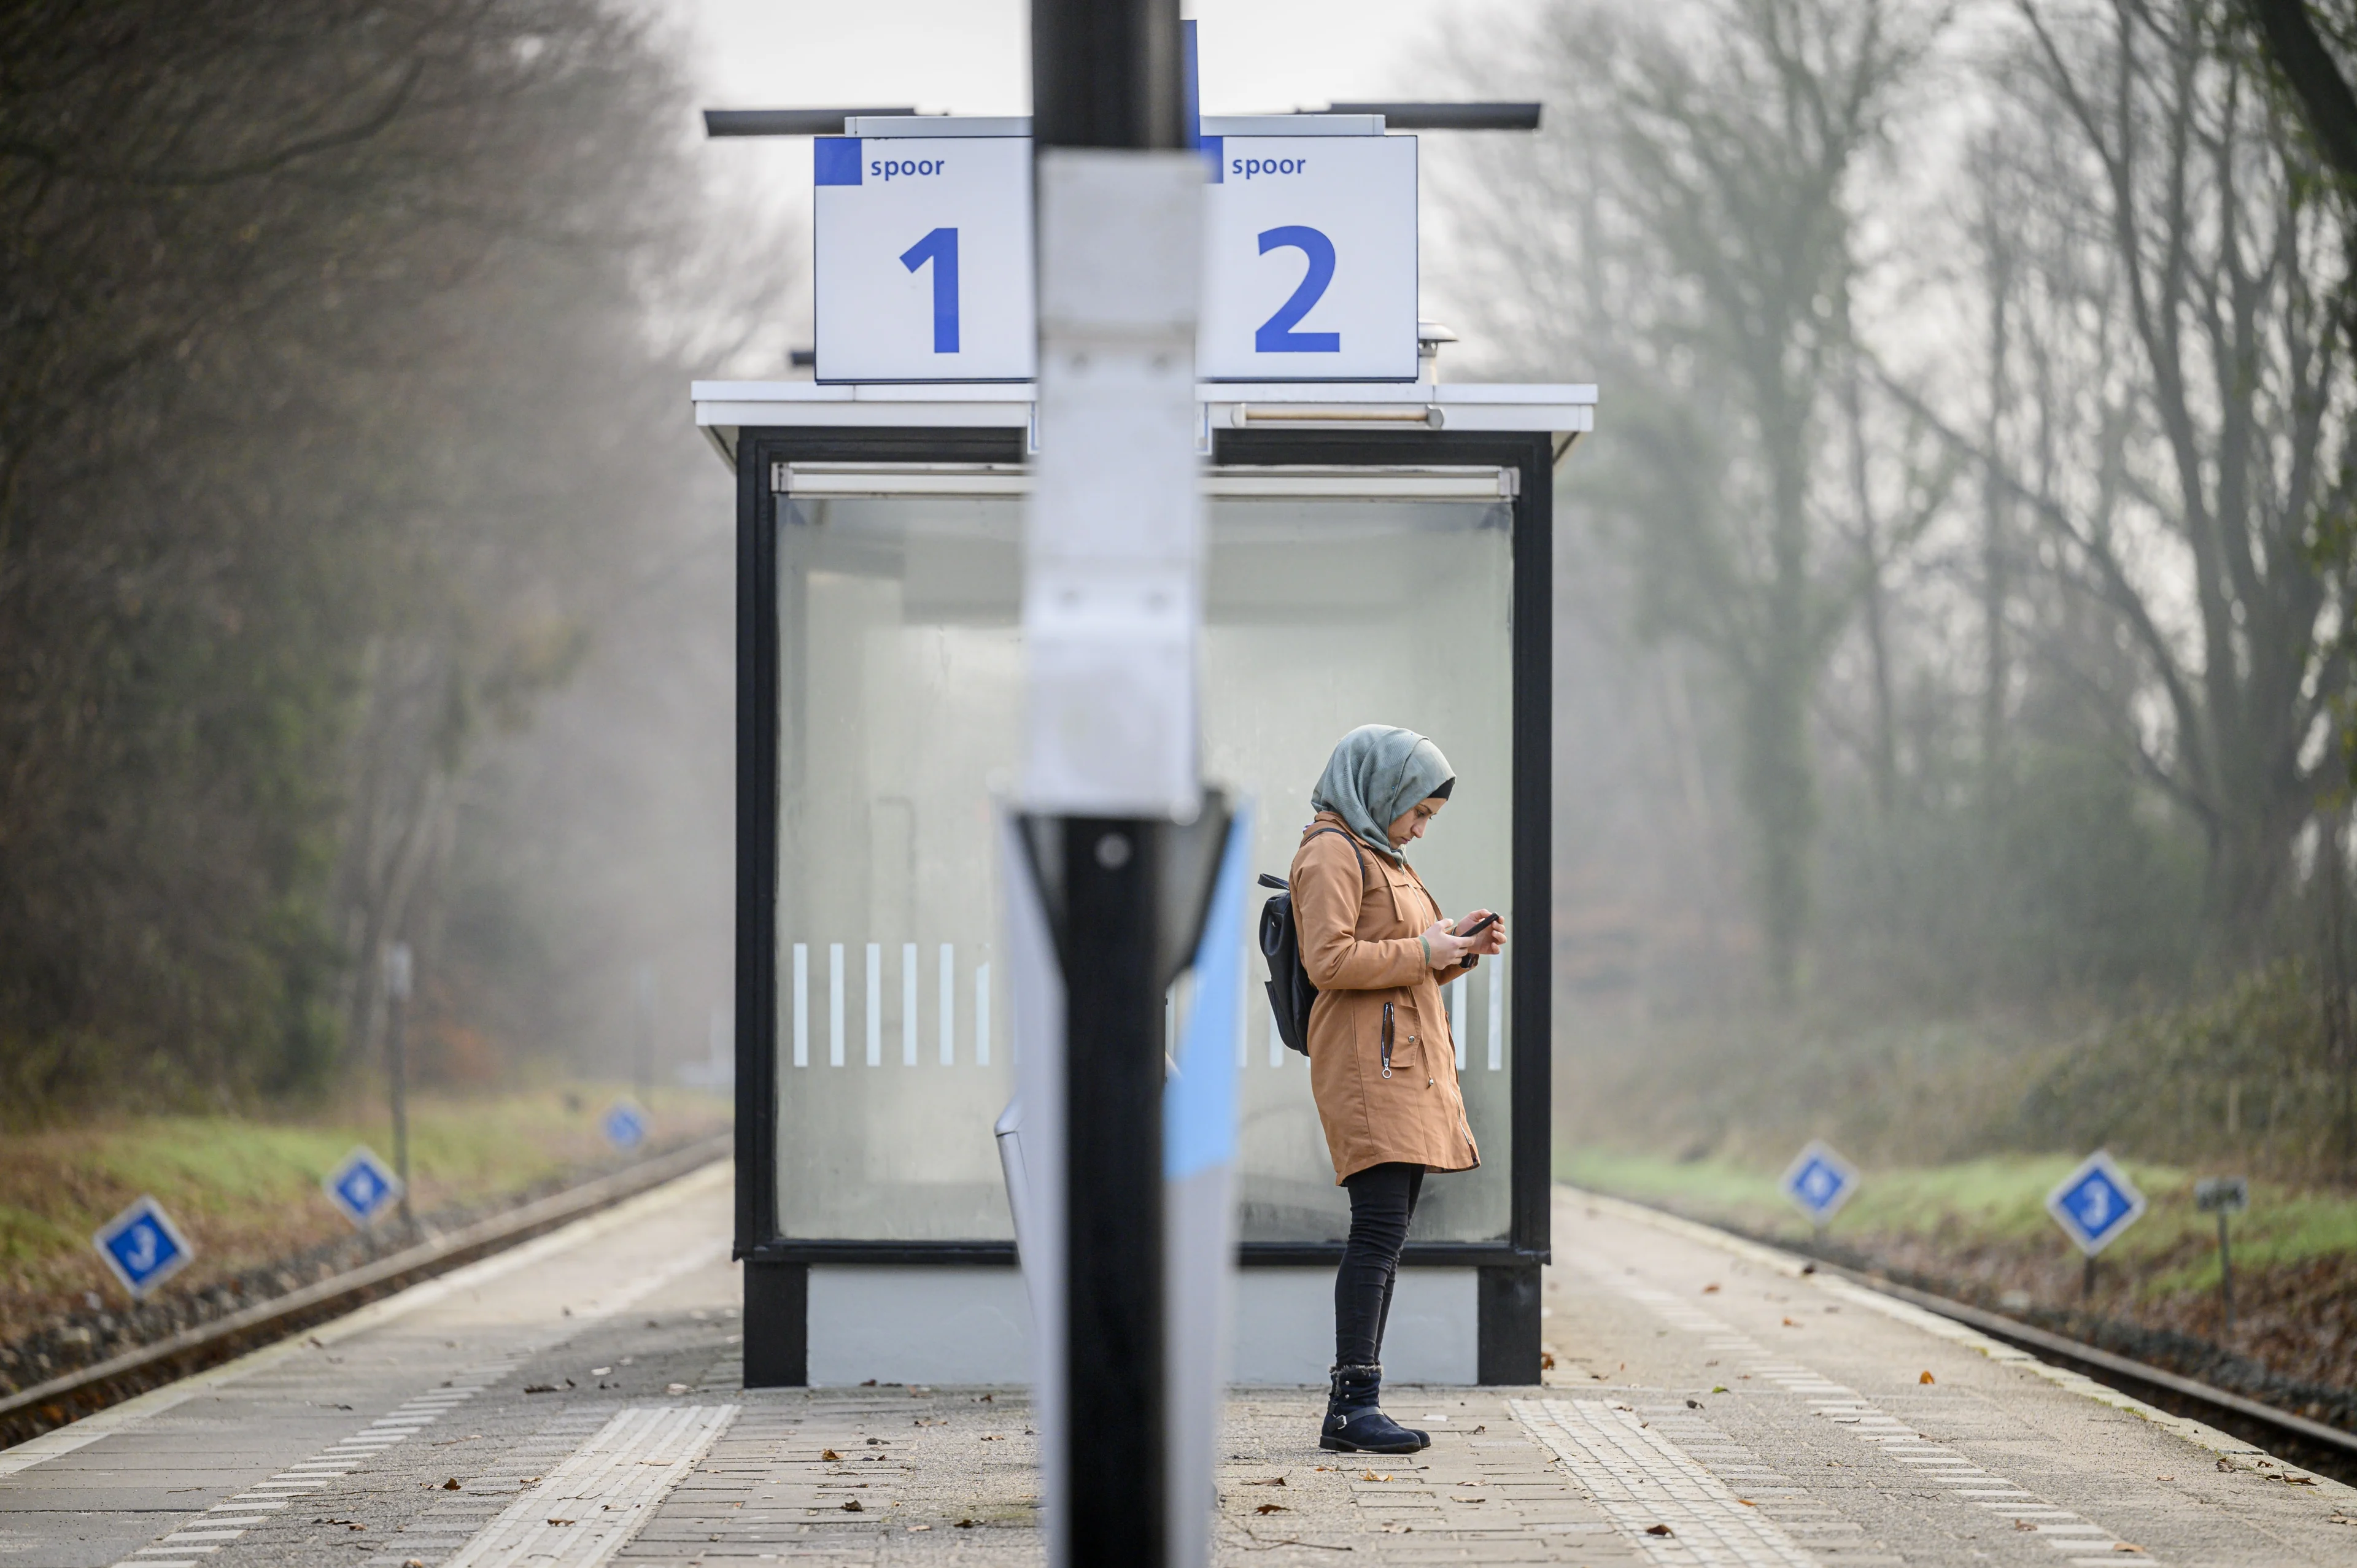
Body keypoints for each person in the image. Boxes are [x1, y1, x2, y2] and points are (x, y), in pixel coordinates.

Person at [1289, 724, 1505, 1454]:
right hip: (1365, 1067)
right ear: (1381, 789)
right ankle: (1352, 1404)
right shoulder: (1330, 851)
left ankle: (1357, 1402)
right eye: (1418, 811)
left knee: (1387, 1231)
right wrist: (1424, 949)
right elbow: (1328, 959)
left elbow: (1400, 954)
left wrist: (1455, 948)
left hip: (1402, 1063)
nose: (1419, 826)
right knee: (1377, 1230)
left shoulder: (1382, 853)